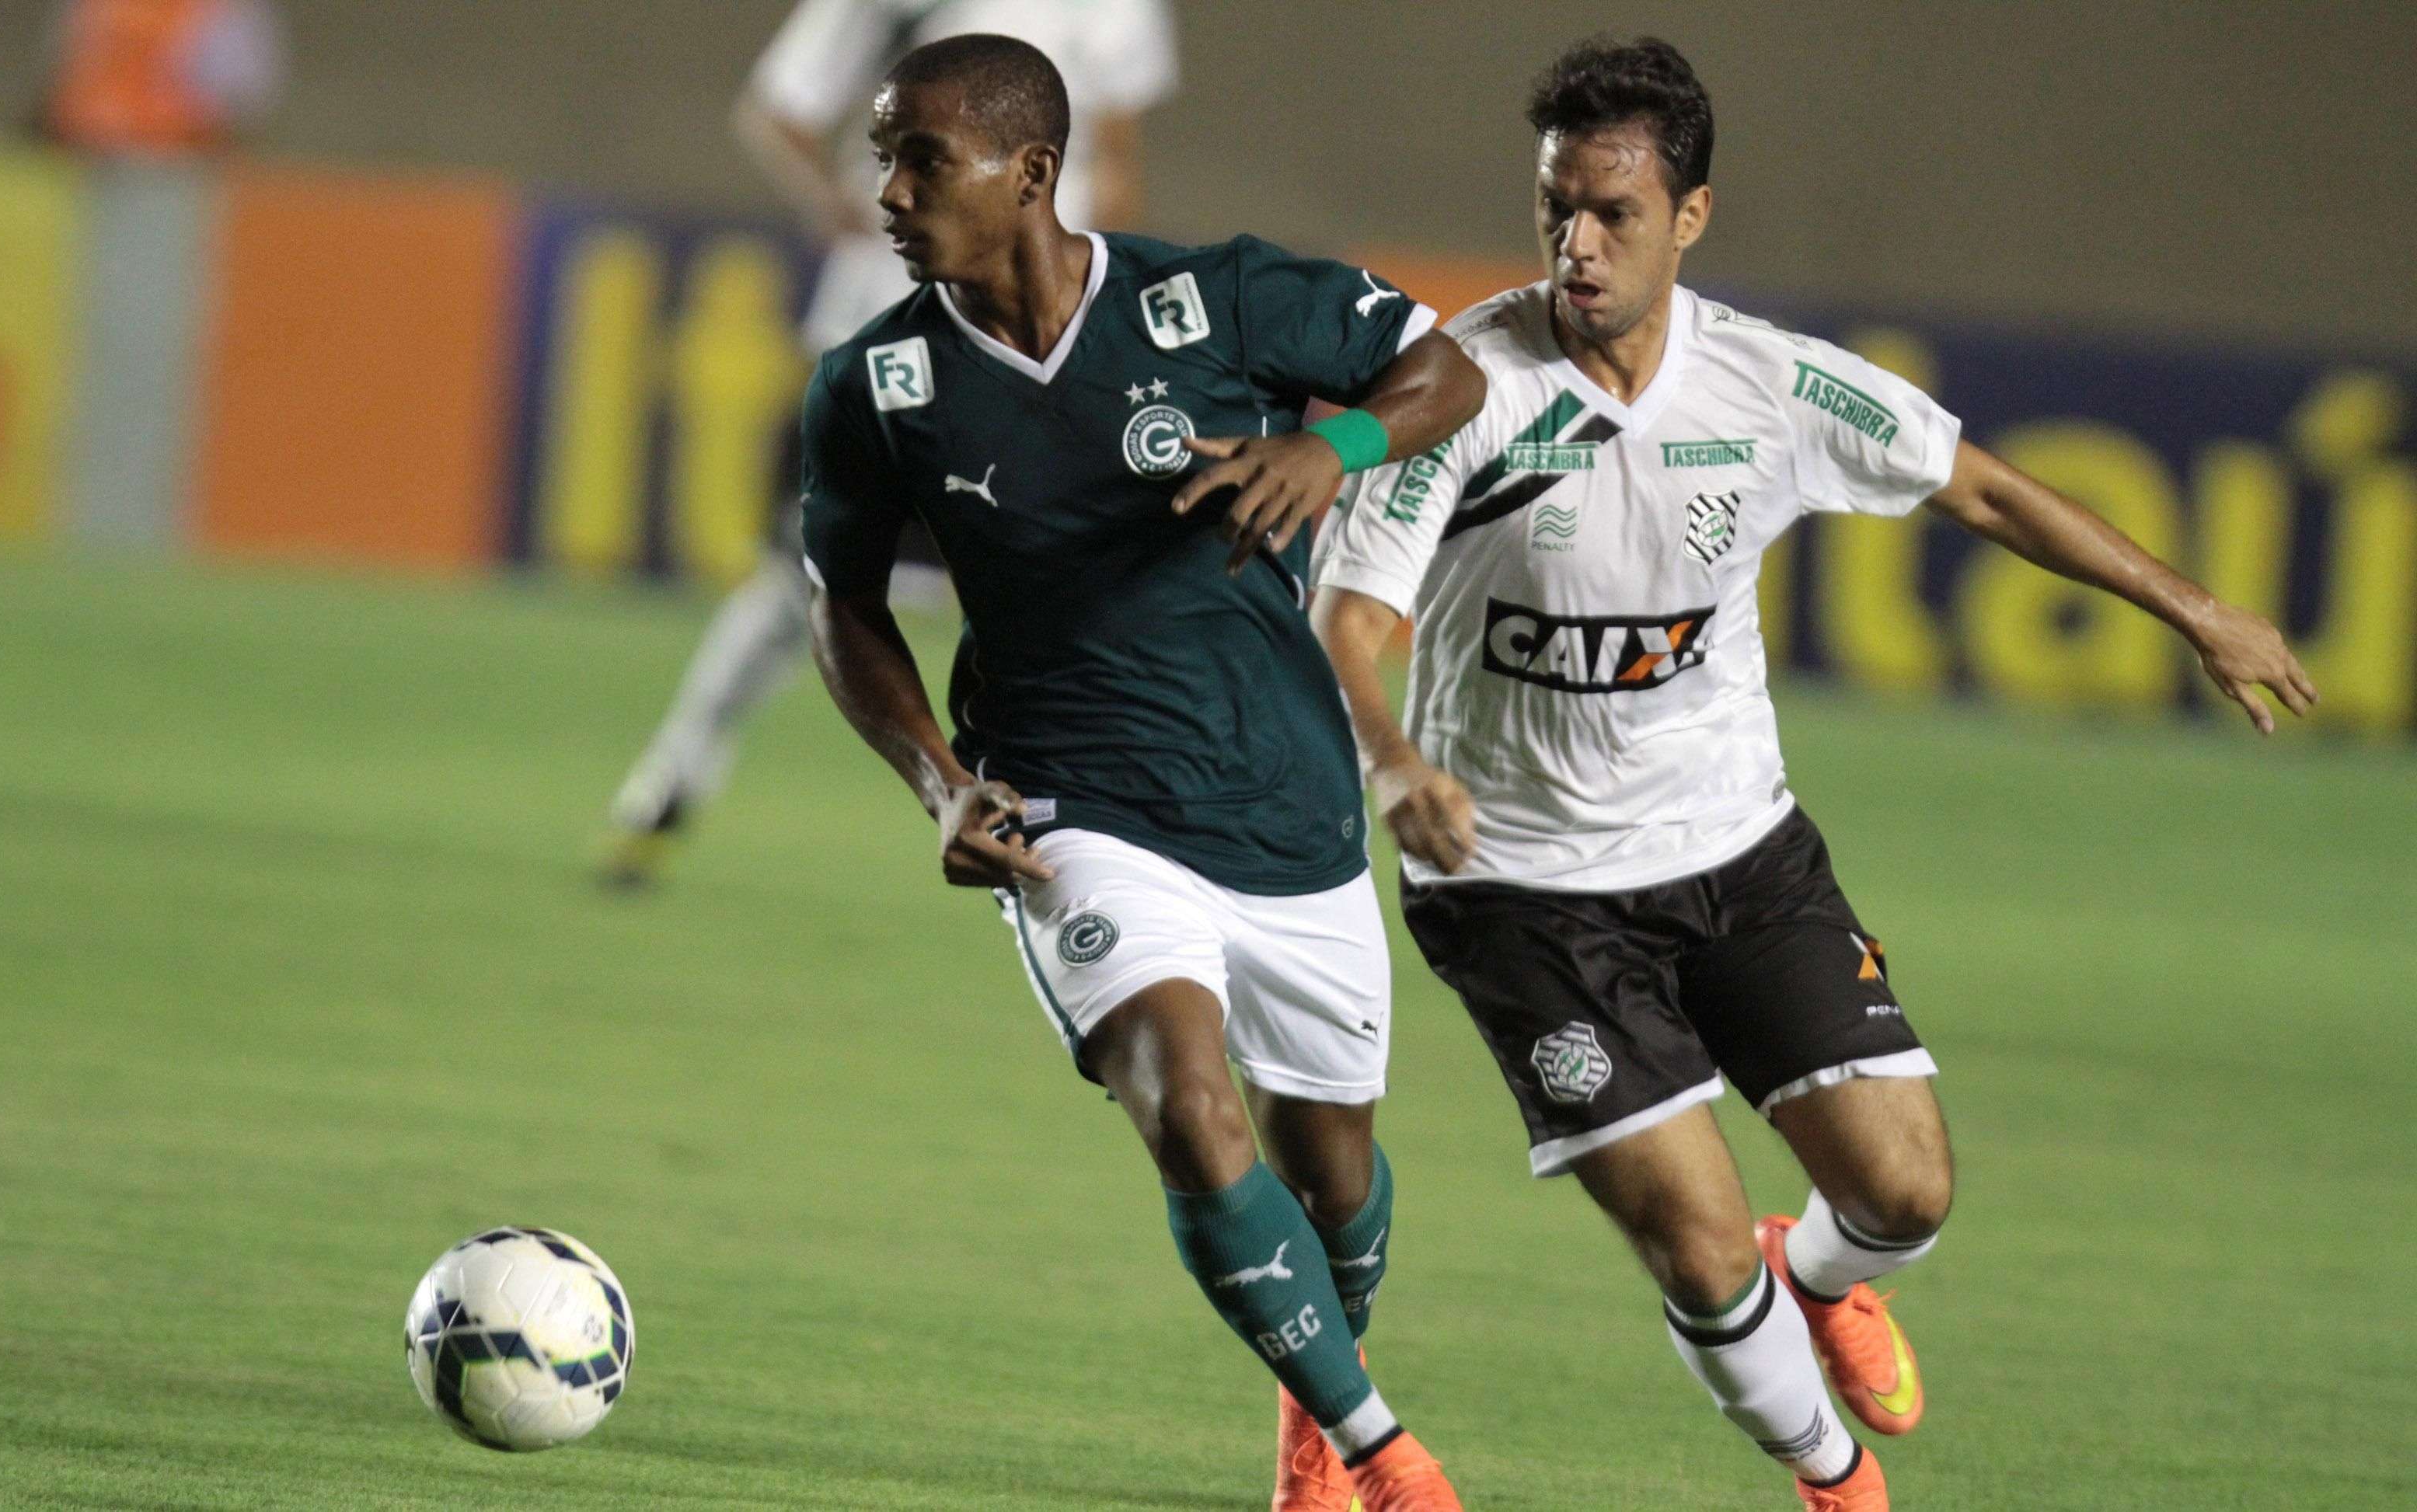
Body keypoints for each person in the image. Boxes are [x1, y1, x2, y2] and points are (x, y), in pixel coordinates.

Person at [1307, 37, 2314, 1512]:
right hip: (1524, 890)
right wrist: (1392, 769)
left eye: (1614, 216)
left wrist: (2199, 609)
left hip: (1737, 851)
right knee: (1699, 1247)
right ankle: (1835, 1484)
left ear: (1691, 217)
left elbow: (1980, 484)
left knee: (1905, 1192)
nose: (1577, 247)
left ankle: (1826, 1277)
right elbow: (1347, 621)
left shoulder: (1770, 385)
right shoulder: (1460, 389)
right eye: (1555, 213)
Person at [801, 34, 1486, 1512]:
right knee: (1184, 1103)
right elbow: (841, 607)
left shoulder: (1214, 296)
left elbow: (1448, 368)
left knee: (1339, 1186)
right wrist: (938, 783)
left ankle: (1319, 1396)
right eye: (882, 157)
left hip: (1282, 799)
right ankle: (1384, 1456)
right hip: (1070, 809)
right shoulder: (877, 384)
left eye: (925, 157)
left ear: (1032, 173)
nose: (891, 190)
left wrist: (1335, 448)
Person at [602, 0, 1177, 883]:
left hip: (1040, 333)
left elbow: (1120, 152)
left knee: (1048, 577)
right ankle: (675, 771)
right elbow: (780, 110)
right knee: (808, 570)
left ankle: (1097, 830)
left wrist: (1108, 306)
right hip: (889, 324)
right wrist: (842, 210)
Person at [42, 0, 283, 155]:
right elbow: (64, 80)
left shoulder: (227, 11)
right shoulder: (98, 9)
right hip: (84, 164)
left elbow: (238, 110)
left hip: (181, 174)